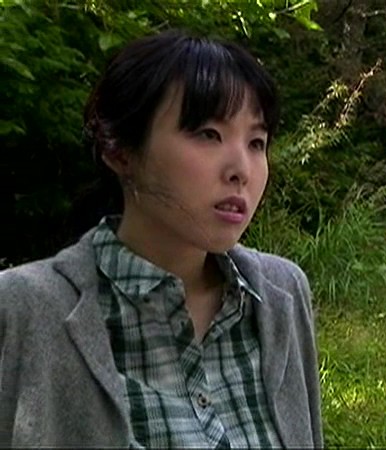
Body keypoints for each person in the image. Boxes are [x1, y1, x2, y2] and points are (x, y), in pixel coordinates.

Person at [0, 30, 323, 448]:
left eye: (257, 142)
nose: (241, 169)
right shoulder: (25, 309)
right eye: (208, 134)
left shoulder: (281, 294)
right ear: (120, 152)